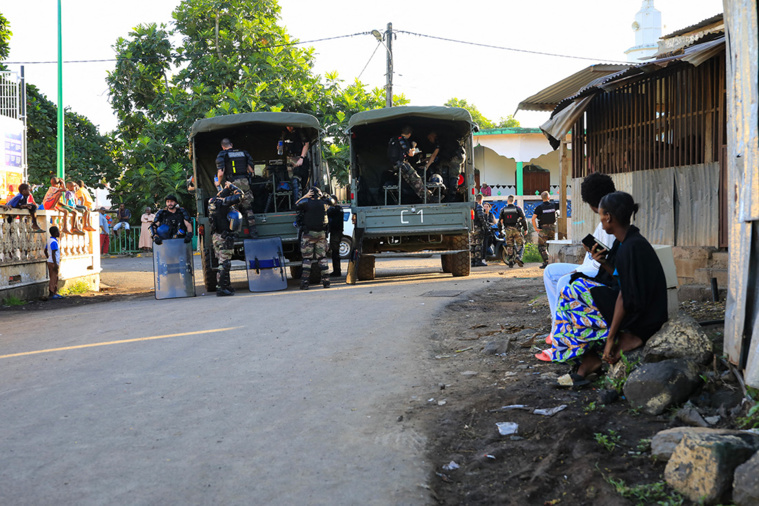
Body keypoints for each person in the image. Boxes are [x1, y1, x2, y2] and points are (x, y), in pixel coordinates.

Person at [538, 191, 668, 384]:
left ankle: (601, 350)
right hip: (638, 306)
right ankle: (587, 358)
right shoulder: (626, 241)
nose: (600, 220)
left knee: (575, 292)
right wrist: (605, 262)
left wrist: (611, 339)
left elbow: (626, 295)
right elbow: (621, 277)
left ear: (608, 217)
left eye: (600, 215)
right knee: (574, 286)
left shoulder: (632, 247)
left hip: (643, 319)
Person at [543, 172, 617, 344]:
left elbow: (603, 262)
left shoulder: (611, 222)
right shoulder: (602, 221)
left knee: (563, 281)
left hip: (601, 273)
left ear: (592, 204)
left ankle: (564, 336)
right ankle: (557, 327)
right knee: (550, 272)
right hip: (590, 267)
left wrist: (580, 269)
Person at [215, 138, 258, 237]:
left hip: (232, 184)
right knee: (248, 209)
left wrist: (218, 183)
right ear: (231, 144)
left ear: (222, 146)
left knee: (234, 209)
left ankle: (235, 234)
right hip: (245, 182)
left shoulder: (223, 154)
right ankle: (254, 233)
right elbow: (251, 170)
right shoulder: (244, 153)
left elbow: (221, 172)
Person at [208, 183, 243, 296]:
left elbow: (220, 195)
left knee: (222, 263)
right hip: (224, 236)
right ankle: (221, 288)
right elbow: (240, 195)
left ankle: (226, 286)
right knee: (224, 264)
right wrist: (232, 186)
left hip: (216, 236)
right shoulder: (223, 203)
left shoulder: (213, 201)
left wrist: (225, 190)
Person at [387, 125, 435, 203]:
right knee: (417, 179)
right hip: (402, 164)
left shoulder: (393, 139)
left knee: (410, 181)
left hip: (395, 165)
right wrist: (414, 146)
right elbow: (411, 154)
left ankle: (423, 197)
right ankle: (428, 197)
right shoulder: (402, 140)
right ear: (409, 134)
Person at [295, 186, 331, 290]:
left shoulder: (306, 203)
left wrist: (304, 196)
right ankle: (326, 282)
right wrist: (324, 196)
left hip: (309, 234)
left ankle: (305, 283)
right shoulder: (324, 203)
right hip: (321, 234)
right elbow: (333, 202)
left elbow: (296, 205)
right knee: (322, 258)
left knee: (307, 259)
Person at [532, 191, 559, 269]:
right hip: (553, 228)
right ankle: (553, 262)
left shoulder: (539, 208)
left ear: (542, 198)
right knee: (551, 246)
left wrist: (536, 228)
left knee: (541, 246)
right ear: (548, 197)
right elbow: (564, 204)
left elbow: (533, 219)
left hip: (543, 229)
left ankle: (546, 261)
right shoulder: (554, 205)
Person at [281, 126, 310, 200]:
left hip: (298, 157)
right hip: (289, 158)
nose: (289, 128)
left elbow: (306, 143)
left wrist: (301, 158)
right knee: (292, 181)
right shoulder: (284, 133)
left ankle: (298, 202)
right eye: (287, 126)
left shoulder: (299, 131)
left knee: (297, 181)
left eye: (290, 126)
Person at [498, 195, 526, 267]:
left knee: (510, 245)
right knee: (521, 244)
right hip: (516, 229)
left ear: (507, 201)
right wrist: (525, 229)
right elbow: (523, 219)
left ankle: (510, 261)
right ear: (514, 201)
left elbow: (500, 222)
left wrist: (500, 230)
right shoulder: (518, 209)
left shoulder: (503, 210)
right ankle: (518, 257)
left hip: (507, 230)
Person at [327, 196, 344, 277]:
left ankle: (337, 271)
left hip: (336, 232)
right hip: (336, 232)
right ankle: (336, 270)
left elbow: (329, 212)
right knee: (334, 252)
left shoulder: (336, 209)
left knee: (335, 252)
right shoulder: (338, 209)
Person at [470, 194, 489, 267]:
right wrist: (485, 226)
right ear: (481, 200)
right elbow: (481, 216)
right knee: (478, 244)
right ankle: (478, 260)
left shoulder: (471, 206)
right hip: (478, 228)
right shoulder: (479, 206)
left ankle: (472, 261)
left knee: (472, 244)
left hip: (471, 228)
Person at [45, 226, 63, 299]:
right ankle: (52, 293)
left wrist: (48, 257)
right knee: (53, 278)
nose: (59, 233)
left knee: (54, 277)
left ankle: (54, 292)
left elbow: (45, 250)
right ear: (55, 233)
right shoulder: (54, 242)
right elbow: (53, 253)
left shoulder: (49, 240)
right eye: (58, 232)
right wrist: (55, 263)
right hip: (53, 262)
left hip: (50, 261)